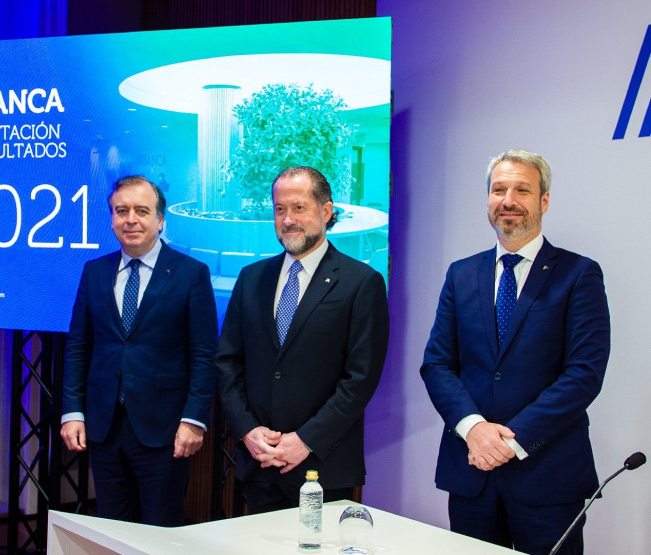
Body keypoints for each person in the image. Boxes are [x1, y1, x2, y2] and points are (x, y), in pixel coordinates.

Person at [420, 149, 610, 554]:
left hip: (548, 477)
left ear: (544, 200)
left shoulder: (579, 274)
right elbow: (437, 364)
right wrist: (474, 428)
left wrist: (511, 440)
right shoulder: (461, 273)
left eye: (522, 190)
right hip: (471, 471)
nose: (508, 200)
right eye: (498, 190)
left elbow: (584, 374)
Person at [216, 165, 390, 514]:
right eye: (280, 209)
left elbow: (359, 379)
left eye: (299, 207)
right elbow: (228, 362)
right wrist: (247, 431)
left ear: (326, 212)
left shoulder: (361, 282)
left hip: (323, 468)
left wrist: (305, 440)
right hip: (260, 463)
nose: (287, 219)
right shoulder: (251, 279)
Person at [60, 175, 217, 526]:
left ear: (160, 220)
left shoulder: (191, 274)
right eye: (122, 211)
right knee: (113, 527)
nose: (130, 219)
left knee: (160, 529)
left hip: (165, 429)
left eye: (141, 211)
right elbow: (79, 346)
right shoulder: (94, 272)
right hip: (104, 426)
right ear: (112, 218)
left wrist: (194, 420)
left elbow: (204, 354)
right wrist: (72, 411)